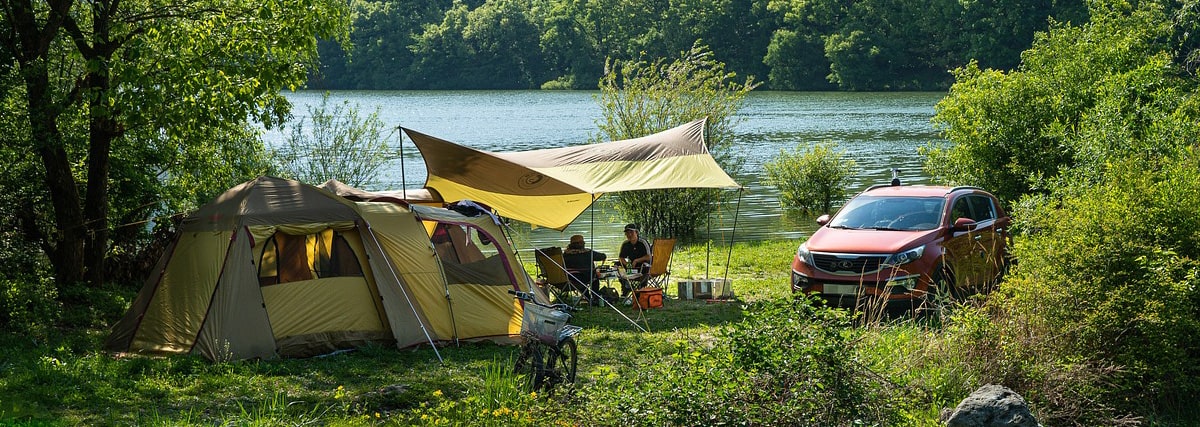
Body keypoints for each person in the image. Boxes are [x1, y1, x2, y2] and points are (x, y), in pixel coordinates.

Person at [562, 234, 607, 305]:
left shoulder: (565, 255)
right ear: (581, 243)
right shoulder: (587, 253)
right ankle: (595, 296)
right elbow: (602, 256)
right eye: (583, 242)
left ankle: (587, 297)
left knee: (580, 277)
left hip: (570, 279)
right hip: (586, 277)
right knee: (593, 276)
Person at [617, 223, 651, 296]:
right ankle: (625, 287)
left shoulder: (643, 242)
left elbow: (649, 257)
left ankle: (641, 287)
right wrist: (626, 264)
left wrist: (637, 260)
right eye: (627, 233)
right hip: (630, 267)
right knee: (617, 265)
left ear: (636, 232)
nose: (629, 235)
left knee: (645, 266)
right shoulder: (625, 244)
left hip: (642, 266)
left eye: (631, 232)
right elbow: (621, 257)